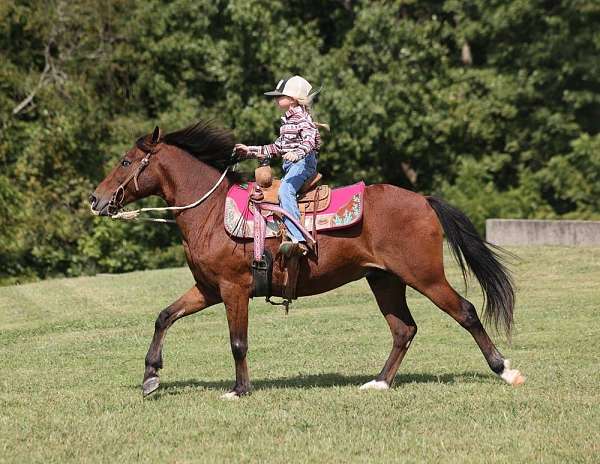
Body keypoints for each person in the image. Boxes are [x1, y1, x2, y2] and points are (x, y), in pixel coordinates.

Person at [235, 75, 328, 257]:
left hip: (303, 163)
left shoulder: (302, 119)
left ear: (293, 98)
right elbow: (276, 147)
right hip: (291, 165)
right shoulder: (288, 121)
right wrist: (249, 151)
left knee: (285, 191)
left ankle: (300, 239)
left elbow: (309, 141)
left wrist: (298, 153)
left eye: (280, 95)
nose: (276, 99)